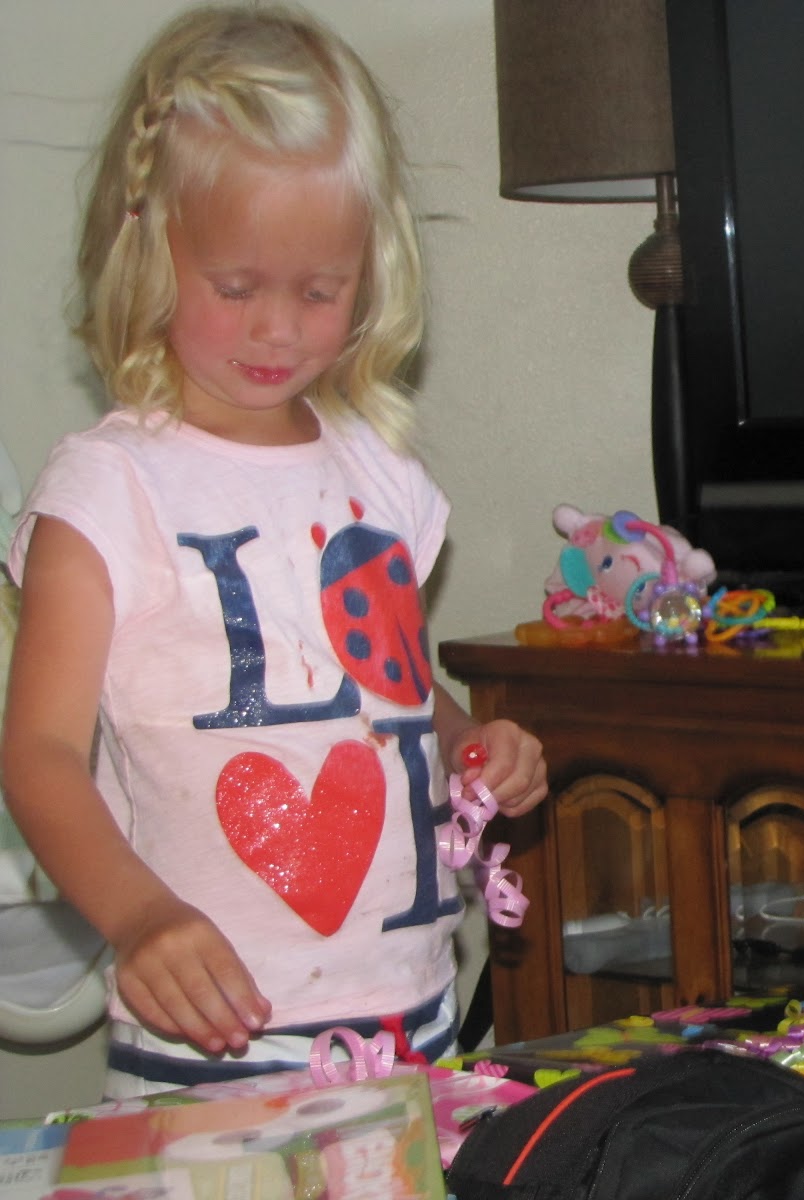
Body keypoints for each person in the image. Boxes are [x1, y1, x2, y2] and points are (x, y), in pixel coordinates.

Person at [0, 4, 548, 1097]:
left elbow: (389, 692)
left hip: (412, 1024)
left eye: (318, 291)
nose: (278, 330)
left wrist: (468, 743)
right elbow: (39, 755)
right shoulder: (107, 490)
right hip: (212, 1043)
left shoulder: (379, 477)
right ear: (148, 249)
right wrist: (139, 916)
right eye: (236, 287)